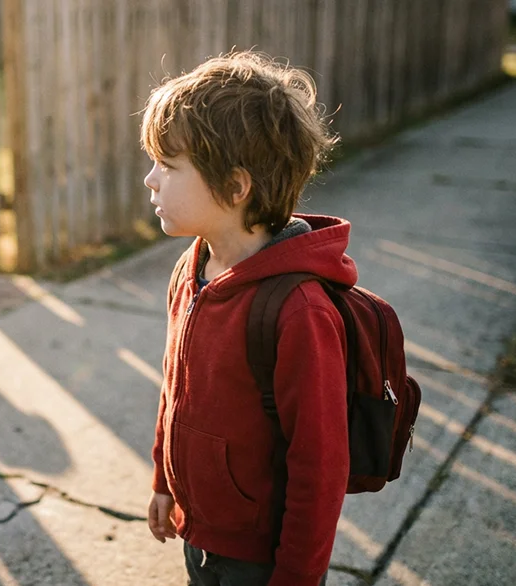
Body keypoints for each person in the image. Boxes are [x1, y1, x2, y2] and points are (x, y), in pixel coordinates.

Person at [142, 51, 355, 586]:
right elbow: (175, 388)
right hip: (198, 529)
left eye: (168, 166)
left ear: (236, 188)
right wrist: (164, 481)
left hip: (260, 558)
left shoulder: (298, 311)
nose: (150, 179)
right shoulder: (190, 269)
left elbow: (320, 467)